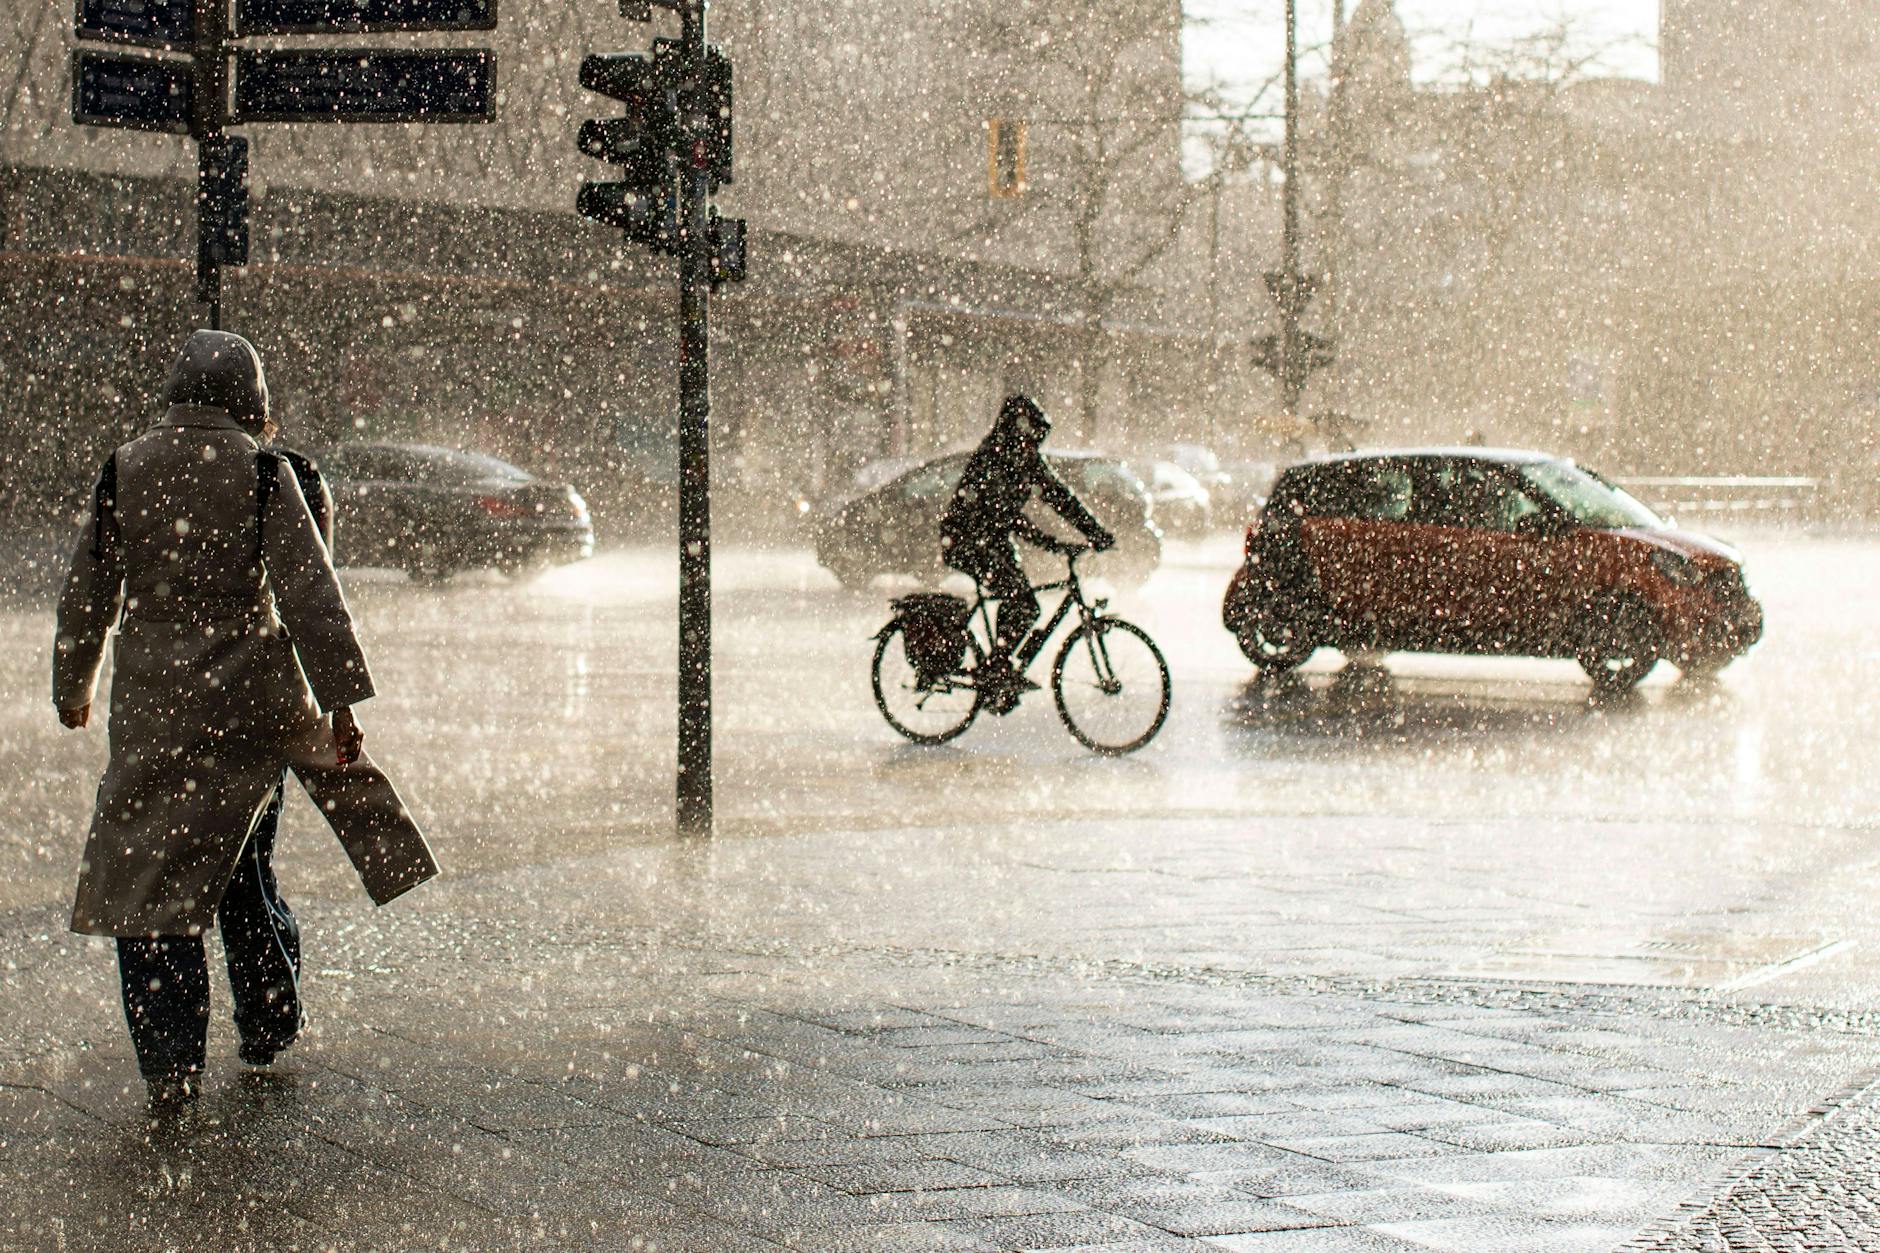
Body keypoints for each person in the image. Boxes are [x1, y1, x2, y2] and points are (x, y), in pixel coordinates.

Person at [54, 330, 437, 1108]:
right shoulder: (264, 472)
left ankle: (169, 1063)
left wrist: (74, 681)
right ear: (250, 398)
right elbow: (311, 593)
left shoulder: (124, 468)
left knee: (148, 885)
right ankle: (269, 1018)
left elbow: (89, 585)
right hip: (253, 693)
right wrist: (338, 701)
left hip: (157, 698)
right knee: (242, 864)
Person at [939, 395, 1115, 710]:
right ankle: (996, 670)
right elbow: (1004, 514)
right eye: (1030, 435)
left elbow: (1060, 497)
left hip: (991, 538)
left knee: (1026, 606)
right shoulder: (992, 458)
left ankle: (1000, 666)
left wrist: (1095, 532)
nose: (1033, 444)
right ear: (1016, 431)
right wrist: (1051, 543)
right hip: (967, 538)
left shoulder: (1026, 459)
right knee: (1020, 600)